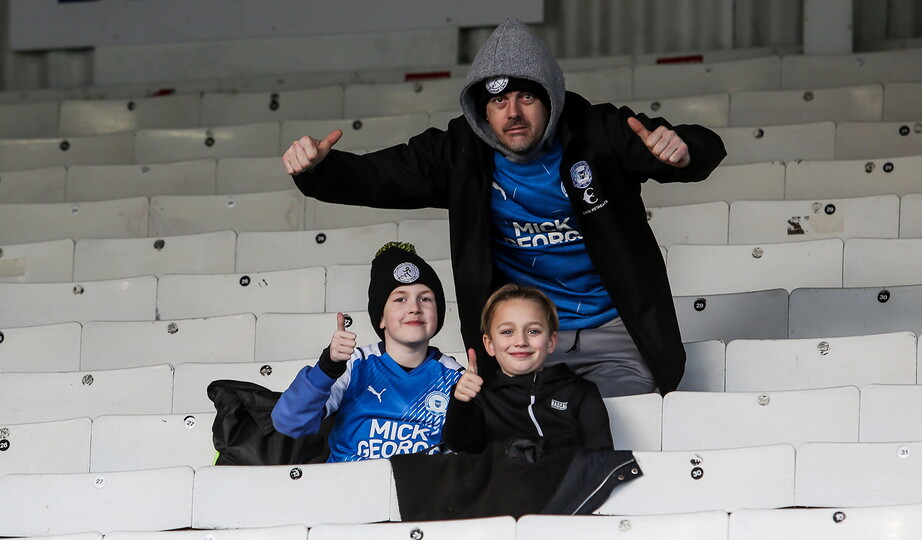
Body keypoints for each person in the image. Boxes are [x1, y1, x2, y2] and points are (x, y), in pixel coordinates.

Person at [282, 17, 727, 397]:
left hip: (614, 332)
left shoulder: (600, 131)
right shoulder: (460, 152)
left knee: (618, 427)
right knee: (525, 441)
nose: (512, 112)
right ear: (483, 111)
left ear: (551, 98)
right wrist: (317, 170)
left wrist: (685, 150)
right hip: (522, 343)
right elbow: (379, 177)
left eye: (526, 98)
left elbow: (691, 147)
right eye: (498, 101)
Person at [271, 242, 463, 462]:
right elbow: (288, 422)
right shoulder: (354, 364)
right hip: (347, 488)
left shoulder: (455, 376)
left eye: (426, 298)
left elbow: (463, 454)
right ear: (380, 317)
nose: (414, 308)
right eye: (400, 299)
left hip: (419, 490)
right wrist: (327, 367)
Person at [441, 283, 612, 454]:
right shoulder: (481, 398)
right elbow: (458, 443)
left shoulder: (579, 392)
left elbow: (602, 458)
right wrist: (460, 402)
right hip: (503, 480)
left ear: (551, 341)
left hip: (568, 479)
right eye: (507, 332)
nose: (521, 341)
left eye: (533, 331)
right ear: (489, 344)